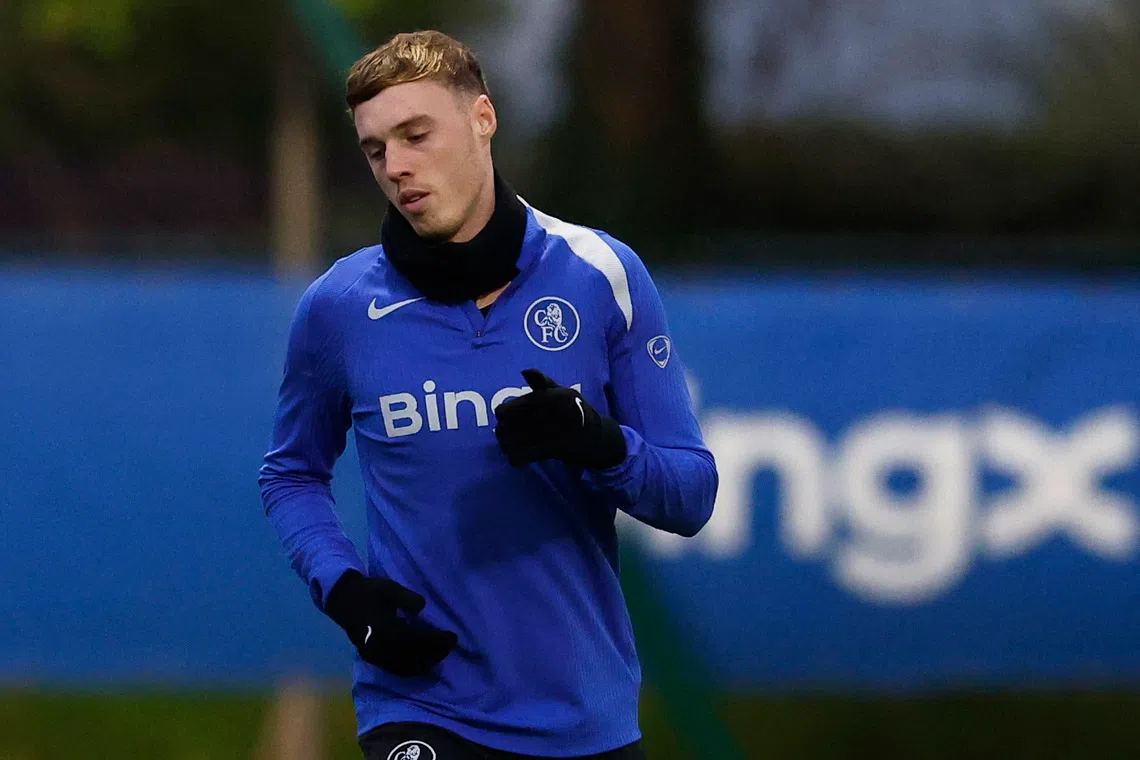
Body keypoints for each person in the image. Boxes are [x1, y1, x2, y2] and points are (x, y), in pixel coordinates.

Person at [258, 29, 718, 760]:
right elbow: (291, 473)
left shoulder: (602, 274)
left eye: (416, 135)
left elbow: (691, 496)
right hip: (419, 706)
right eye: (377, 150)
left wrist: (599, 443)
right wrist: (343, 590)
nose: (398, 167)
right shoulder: (339, 305)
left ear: (482, 119)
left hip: (584, 719)